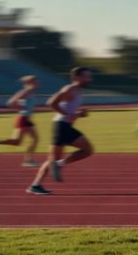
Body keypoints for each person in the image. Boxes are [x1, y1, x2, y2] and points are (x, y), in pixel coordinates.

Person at [27, 67, 94, 195]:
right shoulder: (69, 89)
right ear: (76, 77)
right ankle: (35, 185)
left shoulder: (78, 91)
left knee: (87, 150)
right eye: (86, 77)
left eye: (89, 77)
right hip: (60, 126)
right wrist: (67, 114)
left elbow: (70, 111)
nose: (89, 79)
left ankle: (58, 165)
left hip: (66, 127)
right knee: (52, 158)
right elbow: (51, 103)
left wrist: (79, 114)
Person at [0, 75, 40, 167]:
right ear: (30, 83)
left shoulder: (30, 92)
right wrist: (20, 108)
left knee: (24, 140)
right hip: (23, 118)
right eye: (36, 81)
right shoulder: (26, 91)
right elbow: (10, 102)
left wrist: (22, 108)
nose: (38, 83)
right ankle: (28, 160)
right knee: (23, 141)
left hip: (26, 119)